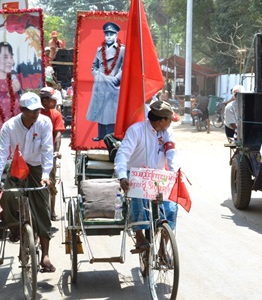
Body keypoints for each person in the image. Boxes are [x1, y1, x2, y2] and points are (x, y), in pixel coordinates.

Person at [0, 92, 55, 272]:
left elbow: (48, 150)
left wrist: (46, 174)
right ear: (22, 110)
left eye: (38, 110)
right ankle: (15, 228)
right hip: (18, 167)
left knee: (42, 207)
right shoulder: (9, 126)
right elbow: (2, 152)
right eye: (32, 111)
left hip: (37, 167)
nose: (35, 114)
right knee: (8, 198)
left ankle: (45, 255)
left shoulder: (44, 123)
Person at [115, 101, 179, 250]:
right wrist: (123, 176)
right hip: (136, 174)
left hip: (157, 176)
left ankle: (164, 248)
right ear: (162, 120)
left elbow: (171, 153)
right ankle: (139, 236)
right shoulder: (136, 130)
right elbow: (122, 155)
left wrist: (175, 173)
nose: (170, 123)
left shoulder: (167, 133)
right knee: (137, 196)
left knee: (171, 206)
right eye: (170, 120)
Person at [86, 22, 125, 141]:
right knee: (100, 109)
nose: (108, 36)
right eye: (106, 34)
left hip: (113, 85)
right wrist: (98, 76)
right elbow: (94, 66)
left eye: (111, 34)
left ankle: (110, 136)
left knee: (111, 112)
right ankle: (101, 134)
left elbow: (124, 67)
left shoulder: (122, 50)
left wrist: (115, 79)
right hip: (101, 84)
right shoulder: (99, 50)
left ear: (116, 35)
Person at [39, 87, 65, 221]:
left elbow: (58, 134)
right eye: (52, 100)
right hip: (34, 154)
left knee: (51, 182)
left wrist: (56, 150)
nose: (55, 102)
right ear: (44, 101)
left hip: (49, 154)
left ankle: (52, 210)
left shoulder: (55, 114)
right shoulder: (35, 113)